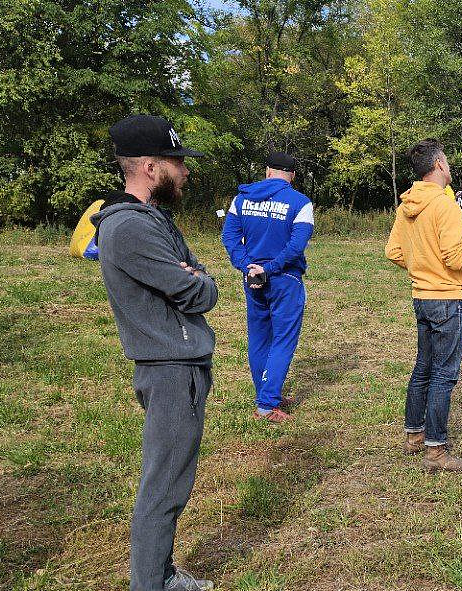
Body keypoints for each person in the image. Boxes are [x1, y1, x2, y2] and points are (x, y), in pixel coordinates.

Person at [91, 114, 217, 591]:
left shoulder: (153, 220)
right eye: (176, 163)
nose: (184, 172)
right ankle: (151, 582)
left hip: (178, 361)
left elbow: (197, 274)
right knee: (164, 485)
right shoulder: (130, 228)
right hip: (169, 367)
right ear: (148, 167)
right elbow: (199, 291)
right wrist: (197, 281)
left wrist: (195, 277)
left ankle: (158, 573)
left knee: (170, 480)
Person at [385, 138, 462, 471]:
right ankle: (436, 451)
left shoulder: (406, 204)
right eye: (448, 161)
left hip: (421, 296)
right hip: (447, 298)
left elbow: (394, 252)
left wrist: (423, 268)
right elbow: (456, 258)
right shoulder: (445, 206)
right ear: (439, 165)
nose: (451, 166)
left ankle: (414, 434)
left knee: (423, 367)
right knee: (443, 374)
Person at [220, 151, 314, 423]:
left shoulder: (241, 200)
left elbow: (230, 236)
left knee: (260, 338)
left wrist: (247, 265)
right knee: (283, 340)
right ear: (292, 176)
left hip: (253, 278)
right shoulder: (300, 203)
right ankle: (266, 404)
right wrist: (270, 268)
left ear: (268, 172)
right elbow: (296, 246)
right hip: (285, 279)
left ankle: (268, 391)